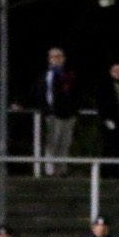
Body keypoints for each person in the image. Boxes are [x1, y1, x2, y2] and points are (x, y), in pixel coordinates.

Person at [36, 47, 78, 177]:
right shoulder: (46, 75)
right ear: (49, 59)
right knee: (52, 142)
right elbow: (39, 92)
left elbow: (77, 93)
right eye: (54, 57)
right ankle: (50, 170)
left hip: (68, 114)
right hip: (52, 113)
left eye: (59, 56)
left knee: (65, 142)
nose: (57, 59)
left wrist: (74, 109)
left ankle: (61, 169)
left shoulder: (70, 75)